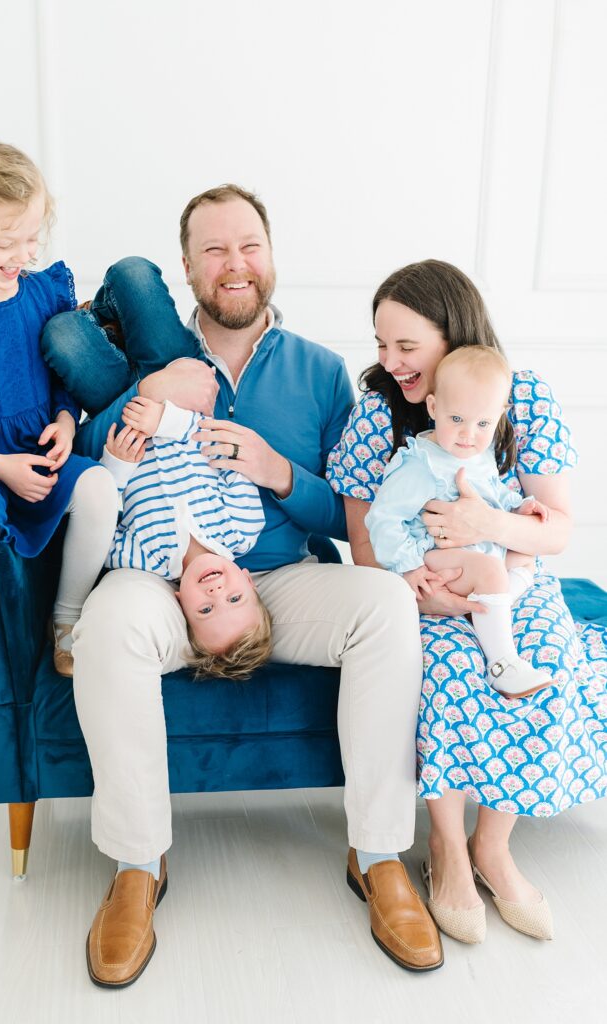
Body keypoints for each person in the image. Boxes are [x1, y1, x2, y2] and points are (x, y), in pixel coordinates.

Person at [41, 185, 443, 986]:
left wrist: (278, 472)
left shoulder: (320, 373)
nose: (235, 264)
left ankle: (377, 855)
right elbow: (88, 467)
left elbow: (350, 513)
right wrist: (151, 395)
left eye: (248, 245)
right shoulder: (153, 356)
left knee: (383, 605)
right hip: (160, 574)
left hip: (283, 578)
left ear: (270, 255)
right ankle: (138, 864)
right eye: (215, 249)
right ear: (188, 266)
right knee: (111, 622)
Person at [327, 259, 607, 946]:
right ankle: (447, 849)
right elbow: (365, 544)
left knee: (547, 656)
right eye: (381, 344)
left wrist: (488, 527)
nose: (389, 361)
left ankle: (493, 846)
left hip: (507, 583)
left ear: (452, 334)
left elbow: (554, 530)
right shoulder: (378, 418)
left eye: (406, 345)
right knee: (450, 672)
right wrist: (426, 593)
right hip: (419, 590)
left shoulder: (520, 395)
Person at [0, 141, 119, 797]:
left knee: (98, 487)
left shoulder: (42, 293)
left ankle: (68, 620)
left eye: (33, 237)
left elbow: (62, 377)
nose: (24, 254)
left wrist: (64, 420)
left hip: (31, 451)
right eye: (7, 241)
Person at [366, 345, 551, 698]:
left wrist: (521, 506)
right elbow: (383, 518)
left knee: (526, 554)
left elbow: (494, 493)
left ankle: (492, 604)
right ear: (433, 407)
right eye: (456, 419)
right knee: (490, 570)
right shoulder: (422, 464)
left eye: (482, 424)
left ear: (498, 417)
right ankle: (502, 663)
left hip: (478, 551)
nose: (468, 434)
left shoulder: (479, 454)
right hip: (434, 556)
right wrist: (408, 566)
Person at [100, 391, 272, 676]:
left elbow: (96, 526)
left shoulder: (146, 559)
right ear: (248, 580)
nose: (216, 593)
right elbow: (230, 448)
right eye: (234, 599)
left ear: (180, 602)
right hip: (180, 401)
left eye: (205, 610)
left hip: (118, 413)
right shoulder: (242, 528)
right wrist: (167, 420)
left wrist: (116, 468)